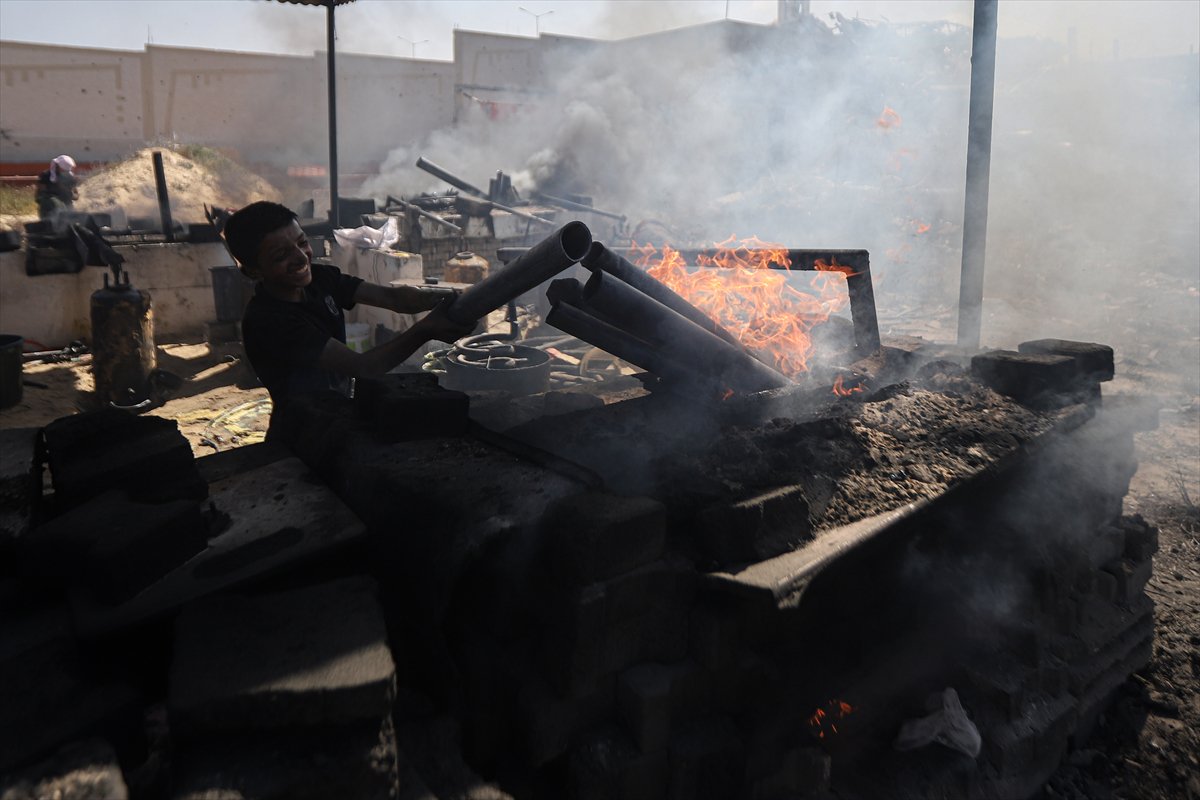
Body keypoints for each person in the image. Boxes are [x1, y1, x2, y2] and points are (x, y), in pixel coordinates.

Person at [221, 200, 477, 432]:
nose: (300, 257)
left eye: (302, 243)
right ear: (254, 271)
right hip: (304, 430)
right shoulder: (269, 321)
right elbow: (364, 367)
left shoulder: (320, 279)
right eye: (281, 256)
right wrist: (425, 330)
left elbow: (392, 298)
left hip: (338, 413)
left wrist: (442, 297)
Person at [35, 155, 80, 221]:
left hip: (67, 208)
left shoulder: (70, 178)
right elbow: (40, 194)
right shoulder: (46, 176)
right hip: (50, 209)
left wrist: (70, 194)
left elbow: (76, 196)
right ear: (57, 166)